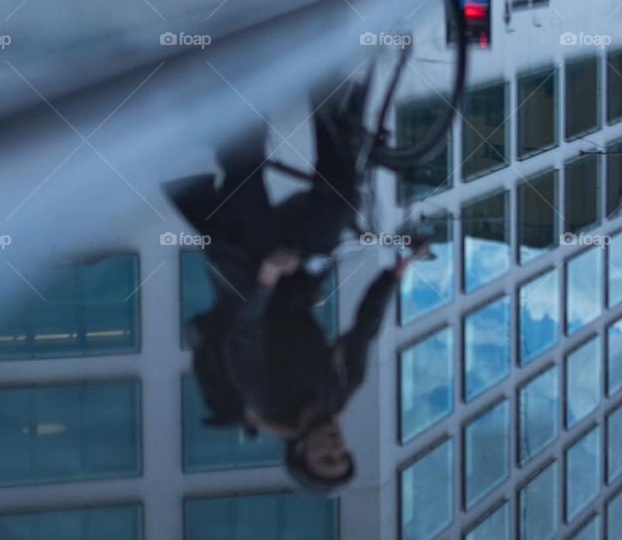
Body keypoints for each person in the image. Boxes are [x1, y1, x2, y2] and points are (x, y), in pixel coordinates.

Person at [166, 87, 429, 495]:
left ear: (301, 450)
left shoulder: (267, 402)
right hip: (298, 283)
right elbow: (364, 330)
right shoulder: (338, 392)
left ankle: (240, 96)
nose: (336, 447)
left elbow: (244, 334)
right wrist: (397, 272)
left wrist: (267, 279)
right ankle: (333, 99)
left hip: (251, 288)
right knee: (341, 201)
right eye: (342, 454)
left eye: (326, 457)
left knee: (245, 186)